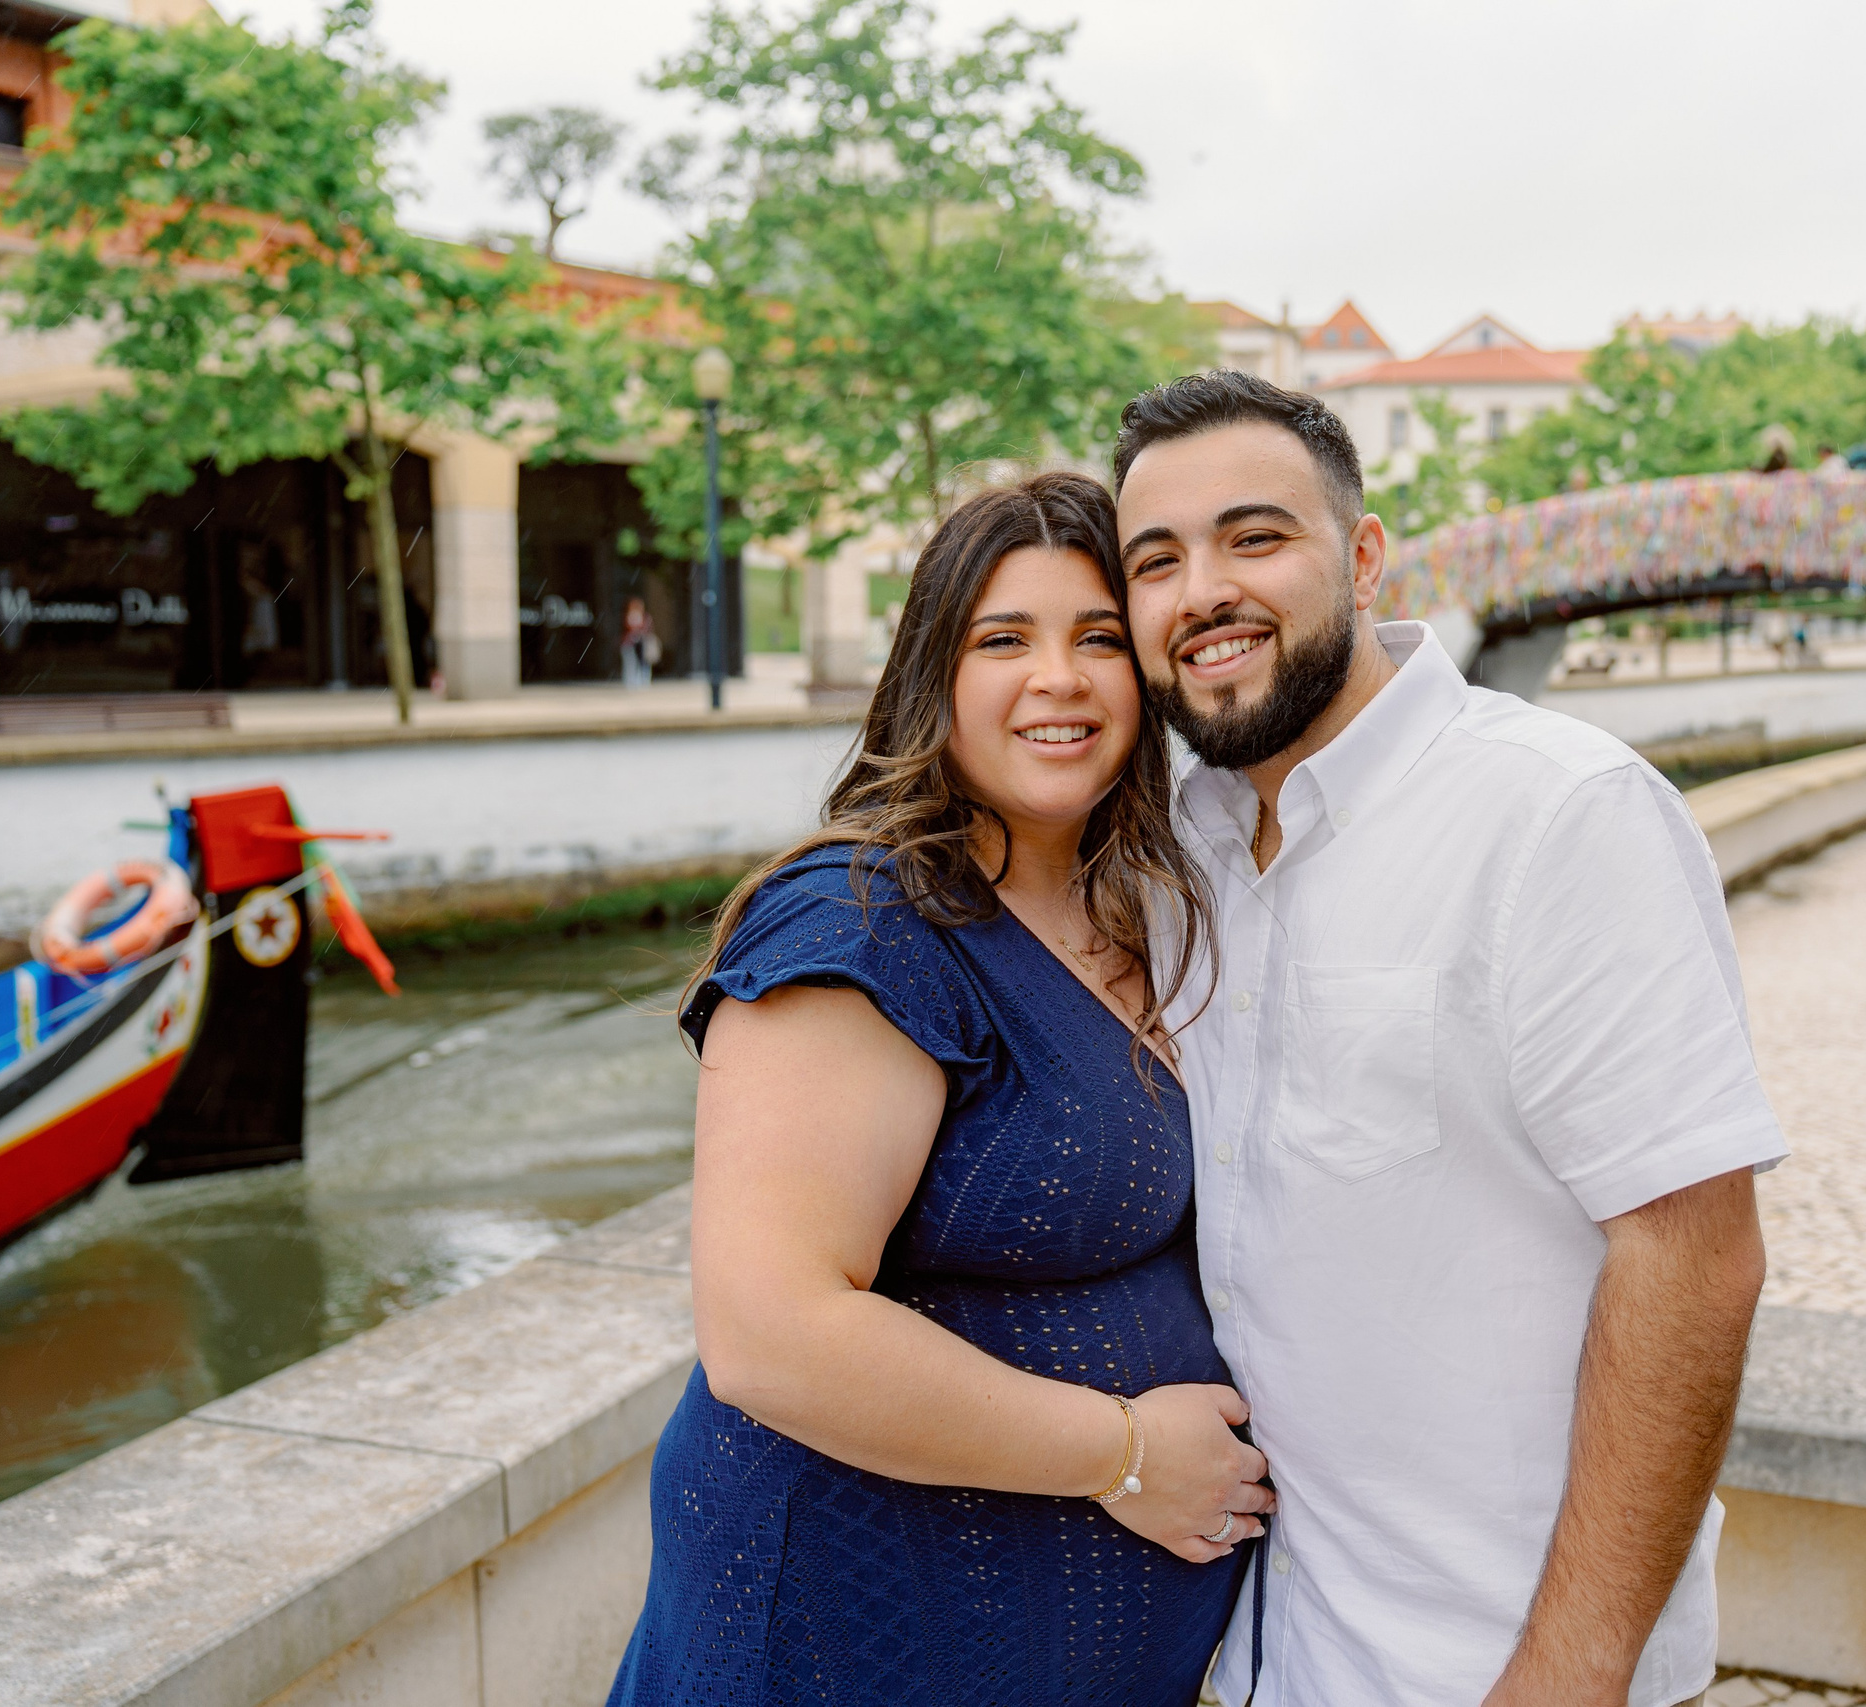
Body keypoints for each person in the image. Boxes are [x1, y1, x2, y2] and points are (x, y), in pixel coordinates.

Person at [1111, 371, 1786, 1707]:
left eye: (1255, 538)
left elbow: (1695, 1258)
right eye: (1157, 560)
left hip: (1493, 1663)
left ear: (1363, 557)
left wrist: (1569, 1669)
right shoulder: (1172, 851)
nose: (1203, 591)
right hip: (1267, 1652)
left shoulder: (1559, 814)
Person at [607, 472, 1269, 1707]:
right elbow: (768, 1333)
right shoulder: (861, 924)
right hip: (843, 1645)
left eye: (1099, 640)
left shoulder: (1138, 909)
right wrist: (1125, 1458)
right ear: (931, 675)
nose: (1057, 679)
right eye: (1002, 639)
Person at [620, 595, 661, 688]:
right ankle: (631, 680)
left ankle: (643, 679)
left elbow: (646, 629)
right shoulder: (630, 616)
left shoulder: (645, 617)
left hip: (641, 644)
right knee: (630, 663)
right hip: (630, 645)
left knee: (643, 662)